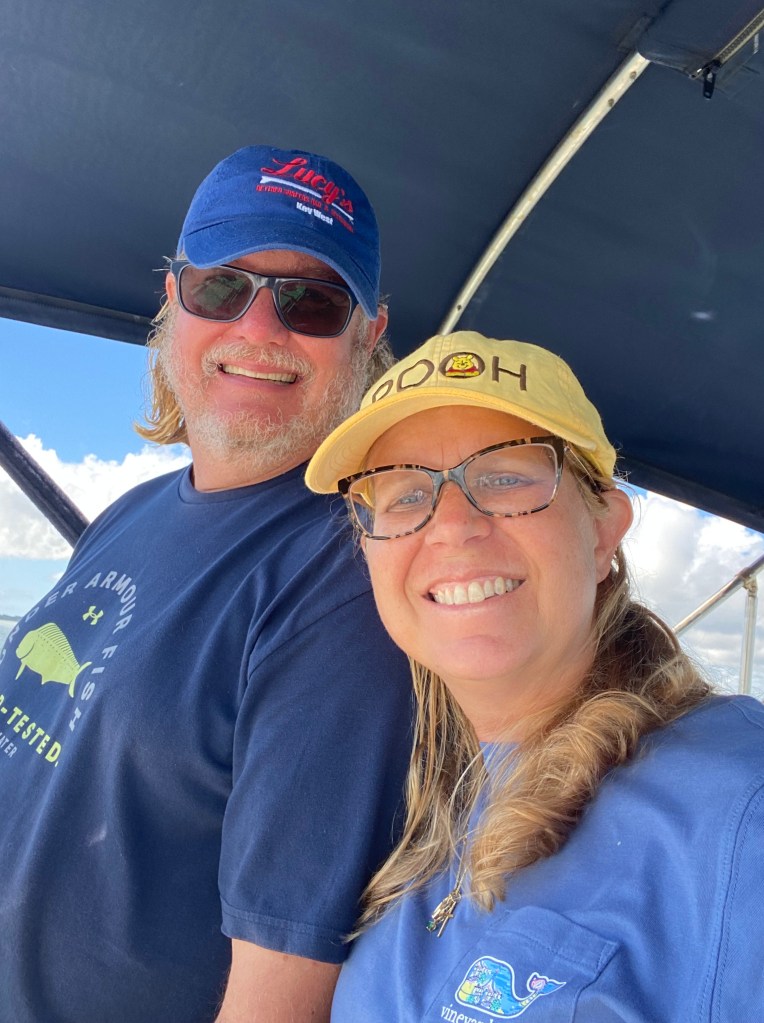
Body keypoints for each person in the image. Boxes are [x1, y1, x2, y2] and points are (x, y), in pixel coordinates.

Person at [0, 145, 413, 1023]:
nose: (259, 329)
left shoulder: (344, 580)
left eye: (312, 301)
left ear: (368, 335)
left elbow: (280, 994)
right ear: (172, 299)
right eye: (222, 287)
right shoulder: (133, 511)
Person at [306, 330, 764, 1022]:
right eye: (405, 494)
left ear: (603, 530)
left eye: (505, 477)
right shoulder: (408, 800)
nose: (452, 525)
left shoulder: (738, 810)